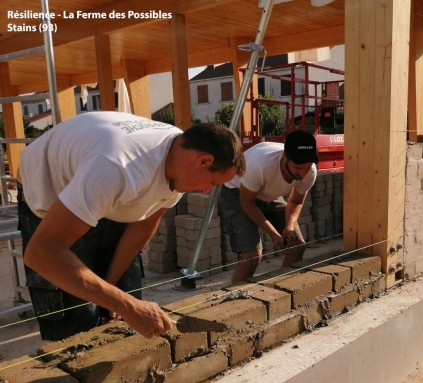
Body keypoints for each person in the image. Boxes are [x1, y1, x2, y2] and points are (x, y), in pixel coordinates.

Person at [17, 111, 245, 341]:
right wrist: (126, 305)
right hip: (53, 191)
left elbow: (143, 226)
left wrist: (113, 286)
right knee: (80, 318)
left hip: (102, 189)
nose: (206, 191)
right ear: (204, 161)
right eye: (212, 183)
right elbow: (41, 252)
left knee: (124, 300)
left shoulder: (178, 161)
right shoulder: (117, 167)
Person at [220, 130, 318, 283]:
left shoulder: (309, 172)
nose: (303, 172)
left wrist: (289, 226)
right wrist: (274, 234)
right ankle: (235, 301)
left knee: (297, 245)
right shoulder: (260, 164)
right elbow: (247, 203)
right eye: (298, 167)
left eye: (307, 166)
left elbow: (296, 201)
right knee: (252, 255)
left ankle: (283, 293)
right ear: (285, 157)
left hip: (267, 192)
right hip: (238, 191)